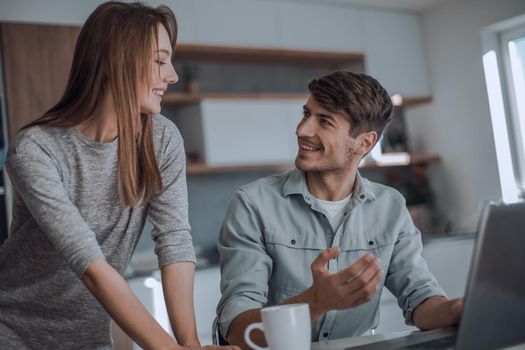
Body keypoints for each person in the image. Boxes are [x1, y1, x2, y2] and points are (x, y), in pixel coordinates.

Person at [0, 2, 238, 349]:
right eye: (159, 61)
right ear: (117, 61)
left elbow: (174, 241)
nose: (171, 75)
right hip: (13, 334)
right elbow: (91, 266)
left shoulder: (161, 139)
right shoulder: (36, 150)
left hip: (89, 338)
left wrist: (189, 344)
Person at [216, 71, 464, 348]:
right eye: (306, 114)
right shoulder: (253, 203)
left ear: (364, 142)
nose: (302, 130)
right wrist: (314, 302)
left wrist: (455, 310)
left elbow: (420, 299)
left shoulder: (390, 207)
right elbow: (237, 328)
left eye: (324, 121)